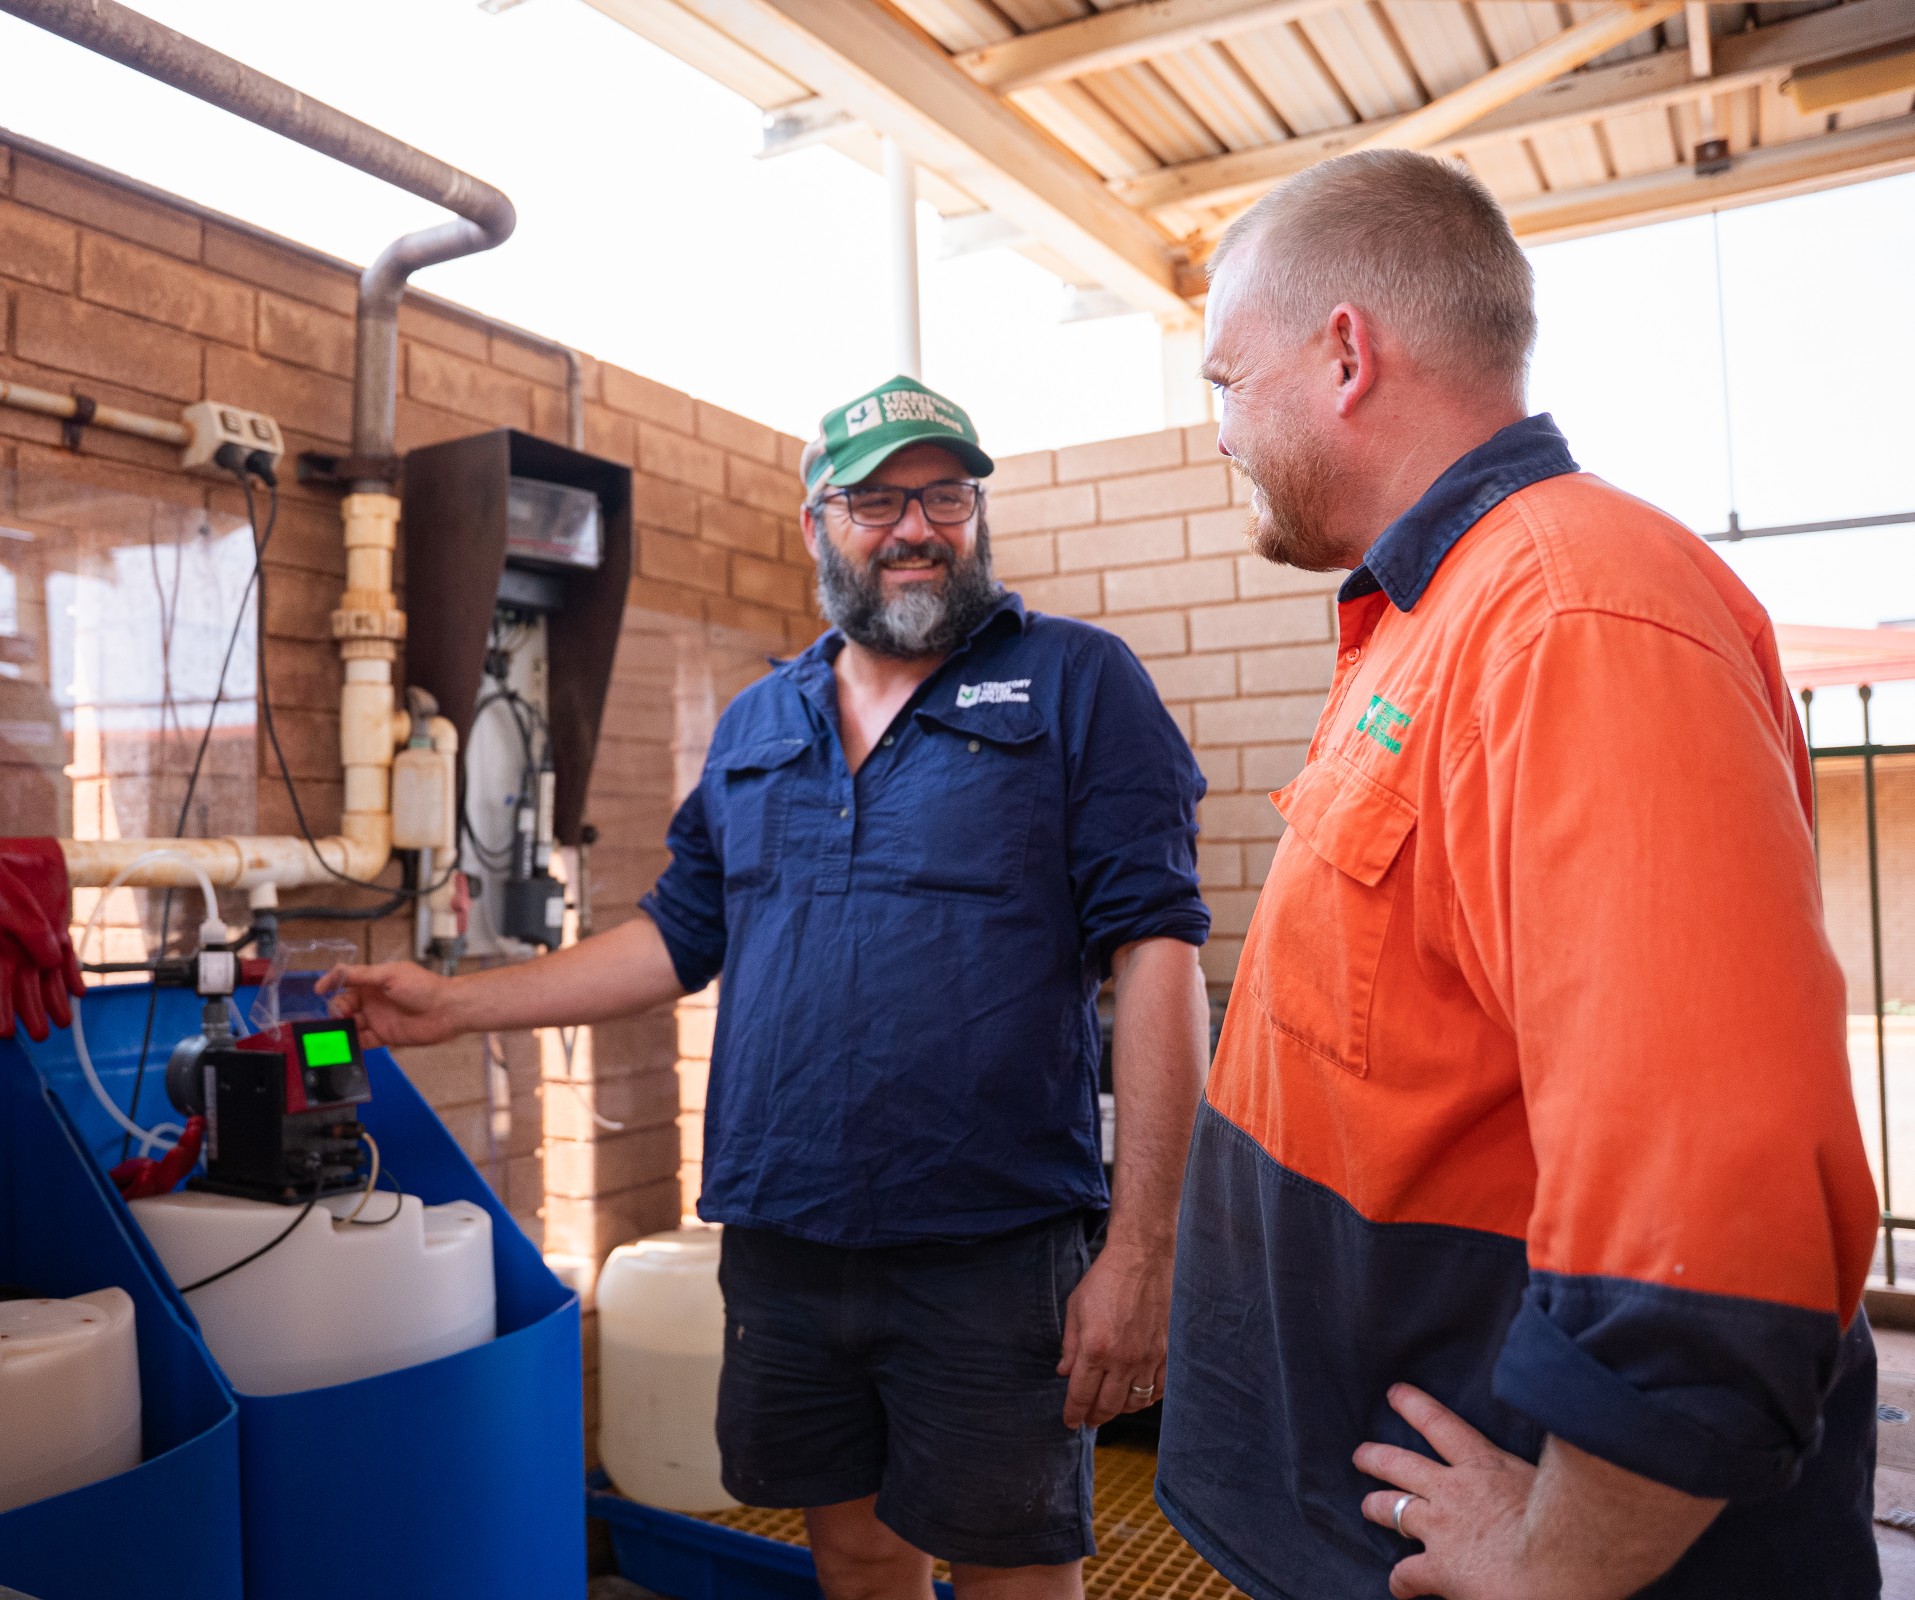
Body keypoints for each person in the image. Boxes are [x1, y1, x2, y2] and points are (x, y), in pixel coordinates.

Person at [335, 375, 1212, 1599]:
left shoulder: (1075, 681)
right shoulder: (759, 722)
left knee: (1016, 1570)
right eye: (874, 499)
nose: (916, 526)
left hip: (991, 1240)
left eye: (945, 494)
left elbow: (1159, 953)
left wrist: (1146, 1248)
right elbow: (676, 935)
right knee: (852, 1554)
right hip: (786, 1231)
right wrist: (455, 1002)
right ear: (816, 524)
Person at [1154, 149, 1879, 1600]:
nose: (1217, 431)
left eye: (1223, 383)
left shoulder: (1569, 612)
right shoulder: (1443, 614)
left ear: (1343, 354)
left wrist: (1555, 1562)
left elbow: (1713, 1205)